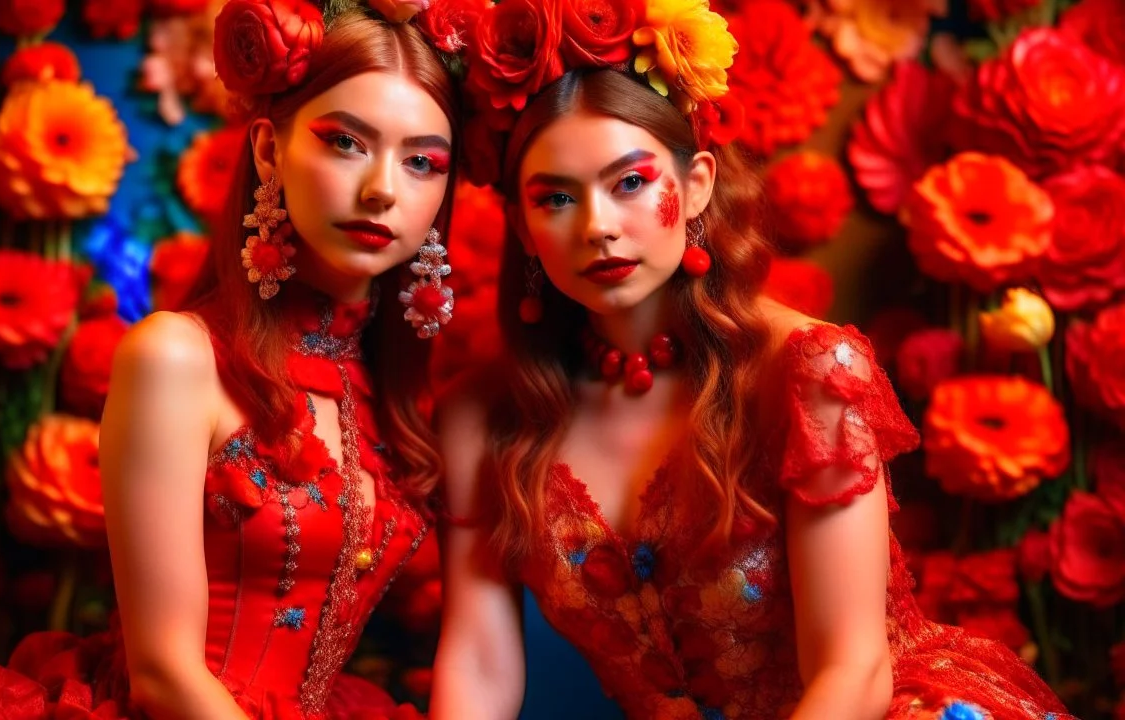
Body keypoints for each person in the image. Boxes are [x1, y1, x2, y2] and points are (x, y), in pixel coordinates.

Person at [429, 2, 1074, 719]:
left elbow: (853, 669)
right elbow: (479, 667)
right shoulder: (481, 417)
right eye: (555, 197)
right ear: (521, 221)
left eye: (631, 182)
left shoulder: (809, 372)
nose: (598, 227)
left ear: (698, 181)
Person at [0, 2, 463, 718]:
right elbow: (163, 674)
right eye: (346, 142)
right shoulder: (177, 357)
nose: (384, 188)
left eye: (422, 161)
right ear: (268, 151)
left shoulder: (390, 388)